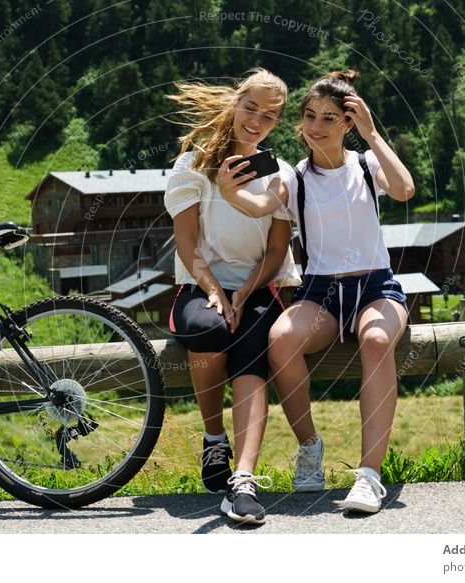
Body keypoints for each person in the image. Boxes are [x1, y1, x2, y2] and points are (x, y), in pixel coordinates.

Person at [217, 69, 415, 514]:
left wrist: (373, 134)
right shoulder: (295, 177)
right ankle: (309, 447)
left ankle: (369, 477)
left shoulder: (366, 164)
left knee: (378, 339)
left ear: (348, 124)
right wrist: (230, 193)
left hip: (375, 286)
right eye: (309, 116)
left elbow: (404, 189)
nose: (316, 126)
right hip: (321, 291)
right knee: (281, 339)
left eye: (330, 118)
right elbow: (258, 205)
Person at [164, 68, 300, 524]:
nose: (257, 121)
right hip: (200, 284)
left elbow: (278, 249)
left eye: (270, 115)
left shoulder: (278, 174)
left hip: (259, 286)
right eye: (251, 108)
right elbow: (186, 242)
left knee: (250, 343)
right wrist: (215, 291)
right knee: (210, 327)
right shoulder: (193, 165)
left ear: (276, 123)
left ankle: (243, 479)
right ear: (235, 104)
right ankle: (213, 439)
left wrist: (243, 290)